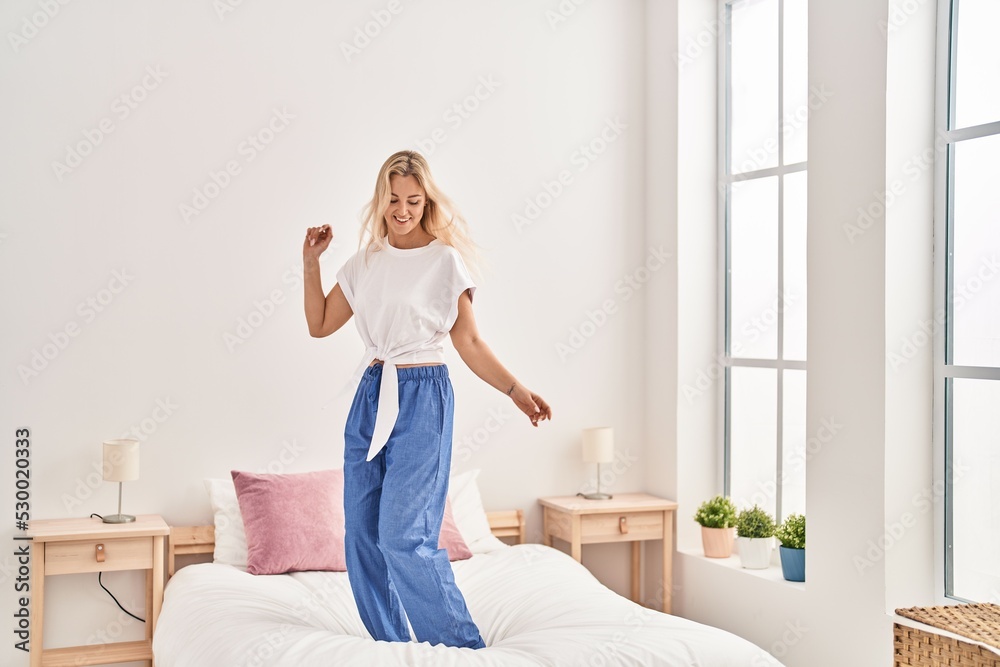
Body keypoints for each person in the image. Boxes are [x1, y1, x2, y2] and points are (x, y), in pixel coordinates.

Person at [302, 150, 552, 649]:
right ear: (381, 199)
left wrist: (515, 390)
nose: (402, 210)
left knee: (403, 538)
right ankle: (393, 647)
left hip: (423, 396)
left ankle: (462, 649)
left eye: (413, 200)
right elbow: (320, 325)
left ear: (426, 202)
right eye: (393, 199)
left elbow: (470, 342)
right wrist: (310, 263)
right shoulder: (364, 263)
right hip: (372, 393)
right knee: (361, 538)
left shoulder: (444, 261)